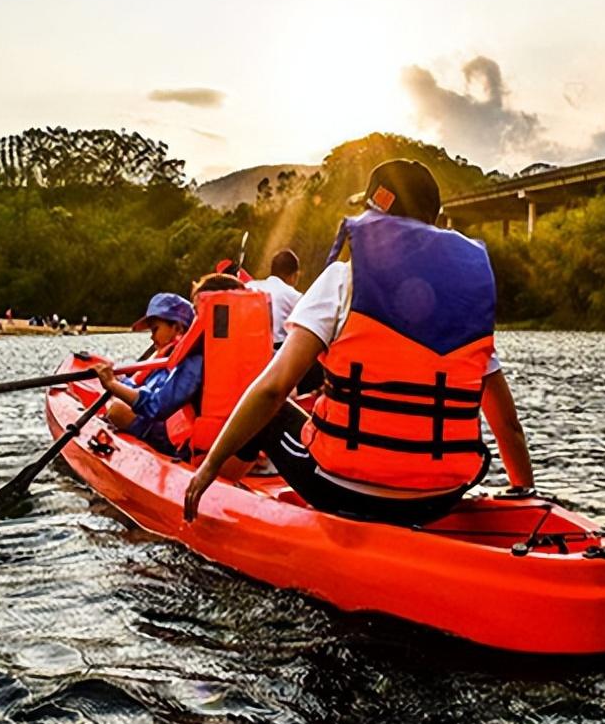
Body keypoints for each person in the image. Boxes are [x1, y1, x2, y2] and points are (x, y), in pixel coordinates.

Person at [184, 159, 534, 525]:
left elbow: (273, 389)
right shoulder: (465, 303)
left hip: (343, 488)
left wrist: (209, 465)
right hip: (439, 499)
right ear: (434, 220)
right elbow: (506, 423)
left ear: (374, 213)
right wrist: (523, 496)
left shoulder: (342, 279)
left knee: (271, 411)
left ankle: (219, 500)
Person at [90, 276, 245, 456]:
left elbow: (156, 406)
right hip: (235, 445)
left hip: (188, 446)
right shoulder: (249, 347)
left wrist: (113, 385)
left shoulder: (196, 357)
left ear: (177, 328)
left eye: (197, 312)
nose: (196, 319)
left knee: (116, 409)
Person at [246, 249, 302, 348]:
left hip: (247, 348)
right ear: (294, 276)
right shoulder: (294, 296)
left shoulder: (248, 287)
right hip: (275, 353)